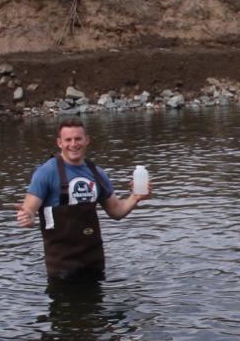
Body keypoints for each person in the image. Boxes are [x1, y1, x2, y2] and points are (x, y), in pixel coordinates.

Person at [17, 119, 151, 280]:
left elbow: (117, 211)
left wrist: (135, 197)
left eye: (78, 139)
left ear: (87, 140)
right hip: (62, 268)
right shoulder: (46, 172)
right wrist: (28, 217)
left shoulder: (97, 174)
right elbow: (29, 209)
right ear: (59, 143)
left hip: (94, 263)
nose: (73, 144)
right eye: (68, 140)